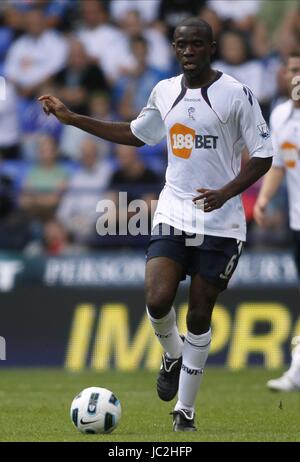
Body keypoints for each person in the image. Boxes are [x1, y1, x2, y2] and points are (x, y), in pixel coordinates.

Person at [38, 17, 273, 431]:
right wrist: (73, 119)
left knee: (199, 315)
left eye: (196, 44)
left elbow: (264, 154)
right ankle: (172, 354)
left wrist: (226, 192)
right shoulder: (164, 91)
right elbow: (135, 134)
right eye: (181, 44)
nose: (188, 51)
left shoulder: (237, 94)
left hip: (221, 221)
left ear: (211, 47)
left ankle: (185, 410)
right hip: (174, 212)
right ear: (175, 48)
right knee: (157, 298)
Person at [254, 52, 300, 392]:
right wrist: (265, 198)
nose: (295, 76)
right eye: (292, 69)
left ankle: (295, 373)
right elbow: (280, 164)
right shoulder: (281, 114)